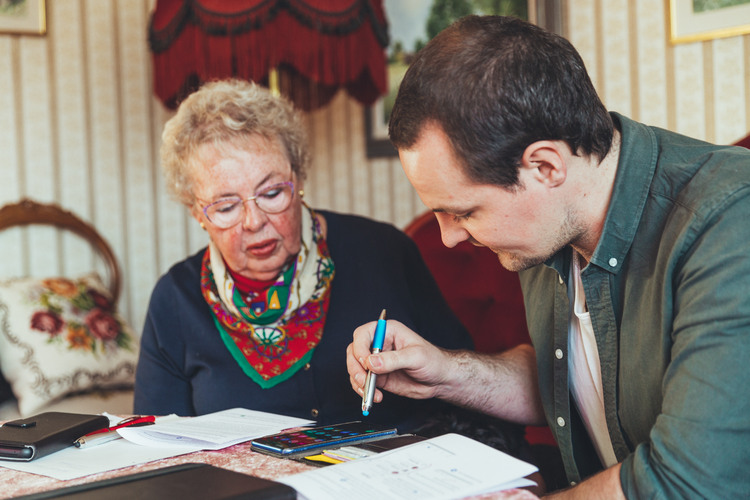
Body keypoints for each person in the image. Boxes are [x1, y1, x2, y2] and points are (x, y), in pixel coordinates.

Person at [346, 15, 750, 499]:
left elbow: (687, 482)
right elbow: (571, 380)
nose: (448, 238)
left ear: (545, 165)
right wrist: (446, 374)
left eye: (464, 212)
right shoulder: (547, 227)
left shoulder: (727, 222)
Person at [132, 78, 482, 435]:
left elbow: (465, 391)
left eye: (271, 193)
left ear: (298, 179)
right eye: (225, 206)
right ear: (197, 213)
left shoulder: (383, 251)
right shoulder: (175, 300)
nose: (254, 222)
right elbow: (157, 451)